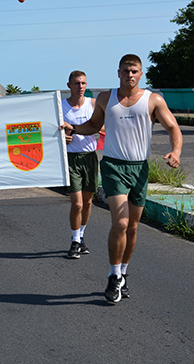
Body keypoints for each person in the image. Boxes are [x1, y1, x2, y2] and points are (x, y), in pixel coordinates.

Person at [62, 54, 182, 304]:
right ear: (118, 73)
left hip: (139, 169)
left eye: (134, 71)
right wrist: (72, 129)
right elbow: (93, 125)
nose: (130, 75)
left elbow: (173, 128)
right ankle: (113, 275)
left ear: (141, 74)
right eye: (126, 71)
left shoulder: (153, 100)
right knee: (121, 222)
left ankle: (124, 272)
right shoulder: (106, 98)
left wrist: (176, 151)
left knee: (133, 227)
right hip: (113, 167)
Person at [62, 71, 99, 259]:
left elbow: (102, 127)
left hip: (90, 157)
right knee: (76, 204)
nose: (80, 86)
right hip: (71, 159)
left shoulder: (92, 104)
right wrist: (63, 138)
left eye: (83, 83)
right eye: (77, 83)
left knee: (88, 202)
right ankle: (75, 240)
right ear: (69, 85)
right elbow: (53, 132)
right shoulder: (61, 107)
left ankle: (81, 236)